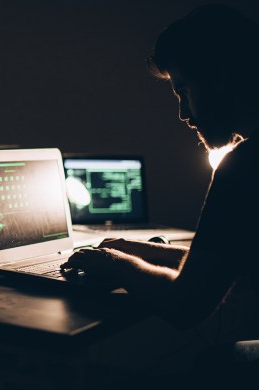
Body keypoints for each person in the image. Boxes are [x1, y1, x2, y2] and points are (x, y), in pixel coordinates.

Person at [61, 3, 258, 369]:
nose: (184, 114)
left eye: (183, 89)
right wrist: (131, 249)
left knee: (206, 367)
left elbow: (185, 304)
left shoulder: (246, 167)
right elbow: (224, 268)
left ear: (220, 75)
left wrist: (113, 263)